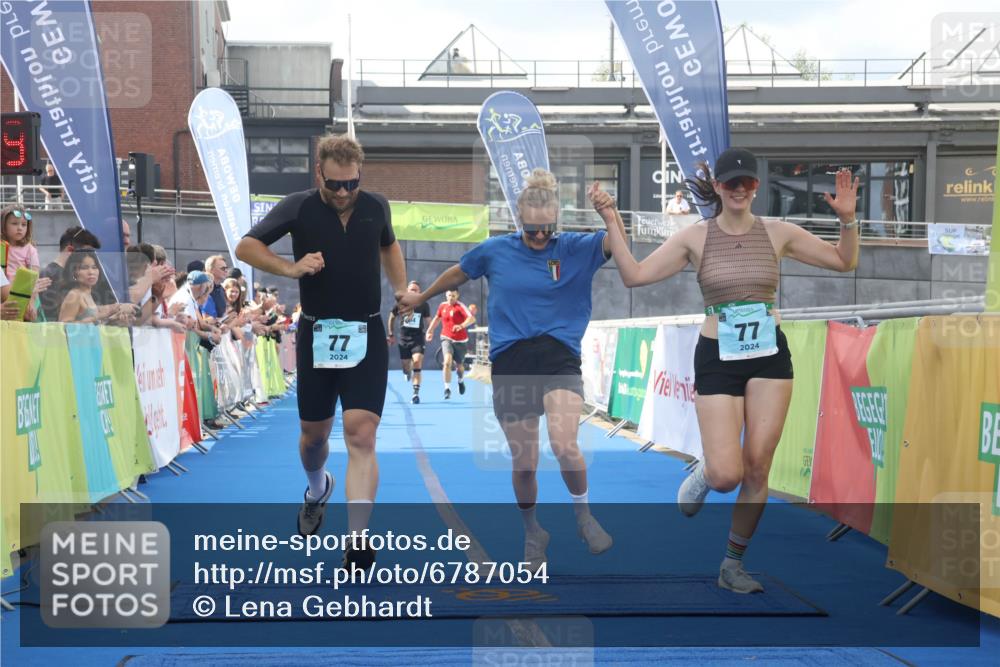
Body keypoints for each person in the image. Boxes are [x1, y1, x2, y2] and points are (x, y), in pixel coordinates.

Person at [594, 147, 859, 594]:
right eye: (730, 182)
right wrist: (612, 221)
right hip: (718, 356)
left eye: (748, 182)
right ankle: (704, 472)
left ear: (757, 187)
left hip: (769, 355)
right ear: (717, 187)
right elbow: (635, 276)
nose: (739, 189)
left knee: (758, 469)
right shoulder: (695, 238)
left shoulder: (778, 232)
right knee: (726, 475)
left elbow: (843, 261)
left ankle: (732, 564)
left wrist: (848, 221)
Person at [400, 168, 614, 571]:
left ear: (557, 221)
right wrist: (420, 297)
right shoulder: (496, 250)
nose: (538, 237)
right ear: (519, 222)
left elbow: (618, 249)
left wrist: (610, 215)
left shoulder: (573, 247)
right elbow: (458, 271)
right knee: (525, 463)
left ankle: (584, 517)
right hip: (512, 360)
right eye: (530, 230)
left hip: (558, 357)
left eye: (545, 230)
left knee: (565, 443)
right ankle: (533, 532)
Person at [236, 133, 407, 571]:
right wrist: (290, 268)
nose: (344, 193)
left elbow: (389, 245)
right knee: (314, 439)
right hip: (317, 334)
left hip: (365, 332)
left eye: (352, 183)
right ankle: (317, 489)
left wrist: (401, 288)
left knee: (360, 433)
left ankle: (358, 538)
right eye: (335, 184)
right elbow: (246, 247)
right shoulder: (298, 206)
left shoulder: (376, 206)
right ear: (319, 175)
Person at [58, 250, 138, 324]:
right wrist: (103, 315)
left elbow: (92, 323)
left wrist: (113, 319)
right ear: (74, 272)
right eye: (84, 268)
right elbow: (64, 326)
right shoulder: (74, 294)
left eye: (94, 267)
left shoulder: (88, 294)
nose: (91, 272)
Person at [387, 280, 431, 404]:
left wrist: (430, 330)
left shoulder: (423, 304)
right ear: (407, 291)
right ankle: (406, 372)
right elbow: (391, 318)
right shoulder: (400, 303)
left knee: (417, 362)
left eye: (416, 290)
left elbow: (429, 320)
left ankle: (415, 394)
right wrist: (390, 334)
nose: (413, 292)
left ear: (419, 292)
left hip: (418, 339)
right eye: (411, 289)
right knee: (406, 367)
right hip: (403, 339)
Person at [425, 289, 474, 399]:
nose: (451, 298)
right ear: (446, 295)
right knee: (447, 362)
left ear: (457, 296)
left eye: (453, 296)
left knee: (459, 366)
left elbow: (471, 318)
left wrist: (461, 326)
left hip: (460, 341)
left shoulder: (460, 306)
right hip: (446, 337)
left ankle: (460, 380)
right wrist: (430, 330)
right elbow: (437, 318)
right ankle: (447, 389)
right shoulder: (442, 306)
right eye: (449, 295)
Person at [2, 206, 40, 280]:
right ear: (3, 225)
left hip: (19, 290)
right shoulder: (1, 246)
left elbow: (34, 274)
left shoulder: (29, 249)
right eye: (14, 223)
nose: (20, 228)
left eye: (24, 224)